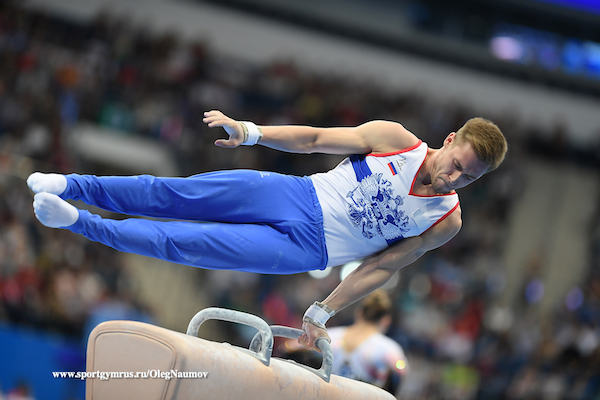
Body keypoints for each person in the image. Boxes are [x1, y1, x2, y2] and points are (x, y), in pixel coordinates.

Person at [27, 109, 507, 350]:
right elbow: (314, 139)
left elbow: (382, 266)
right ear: (449, 140)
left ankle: (79, 221)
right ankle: (71, 184)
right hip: (292, 194)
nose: (454, 178)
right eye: (457, 164)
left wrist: (323, 310)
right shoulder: (396, 140)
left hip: (302, 249)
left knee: (186, 244)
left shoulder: (446, 221)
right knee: (174, 194)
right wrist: (251, 132)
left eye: (469, 178)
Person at [328, 289, 408, 394]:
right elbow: (401, 371)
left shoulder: (329, 336)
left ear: (358, 313)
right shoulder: (388, 348)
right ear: (386, 320)